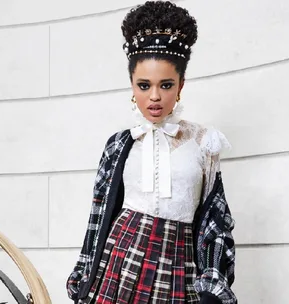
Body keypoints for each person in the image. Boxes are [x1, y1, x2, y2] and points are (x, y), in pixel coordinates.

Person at [66, 1, 237, 303]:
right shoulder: (120, 143)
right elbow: (98, 215)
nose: (155, 96)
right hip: (120, 260)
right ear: (132, 85)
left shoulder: (204, 142)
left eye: (166, 84)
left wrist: (213, 282)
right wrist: (84, 271)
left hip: (178, 264)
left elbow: (215, 218)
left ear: (181, 85)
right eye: (144, 85)